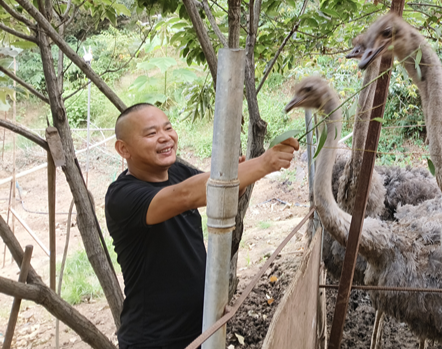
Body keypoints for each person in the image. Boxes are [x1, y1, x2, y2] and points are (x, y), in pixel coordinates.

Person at [105, 103, 299, 349]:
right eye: (151, 133)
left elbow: (216, 193)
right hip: (155, 340)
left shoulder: (176, 171)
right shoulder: (122, 196)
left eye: (168, 128)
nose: (165, 137)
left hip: (201, 328)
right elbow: (187, 195)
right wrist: (262, 163)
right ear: (124, 149)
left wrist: (238, 174)